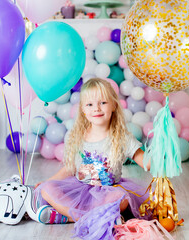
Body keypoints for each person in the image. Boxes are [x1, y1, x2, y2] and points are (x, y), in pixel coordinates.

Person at [33, 78, 151, 230]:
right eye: (90, 104)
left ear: (114, 104)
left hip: (109, 190)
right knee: (47, 189)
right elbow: (70, 169)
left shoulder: (122, 137)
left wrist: (160, 155)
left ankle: (69, 217)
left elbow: (145, 161)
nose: (96, 109)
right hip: (80, 190)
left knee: (121, 199)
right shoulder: (79, 136)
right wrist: (46, 181)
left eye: (103, 103)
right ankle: (96, 217)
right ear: (83, 110)